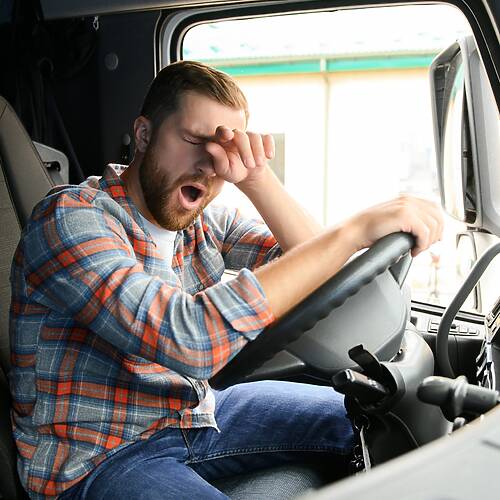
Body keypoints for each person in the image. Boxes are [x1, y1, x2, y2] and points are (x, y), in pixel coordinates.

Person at [9, 60, 443, 500]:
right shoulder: (69, 218)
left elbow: (315, 266)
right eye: (193, 140)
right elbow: (187, 338)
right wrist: (352, 231)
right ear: (143, 135)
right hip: (99, 453)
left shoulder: (202, 222)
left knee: (385, 420)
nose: (207, 165)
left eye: (222, 149)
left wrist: (257, 179)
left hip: (195, 412)